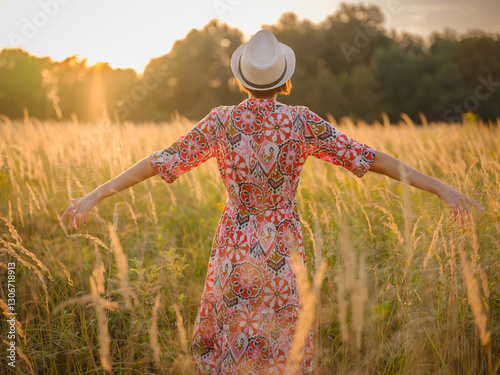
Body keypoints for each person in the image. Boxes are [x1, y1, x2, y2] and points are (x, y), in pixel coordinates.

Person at [60, 30, 484, 374]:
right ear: (285, 80)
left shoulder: (221, 122)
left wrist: (94, 195)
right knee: (283, 352)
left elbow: (156, 163)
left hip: (234, 245)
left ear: (242, 80)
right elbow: (371, 158)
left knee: (231, 349)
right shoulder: (300, 122)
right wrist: (442, 188)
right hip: (283, 247)